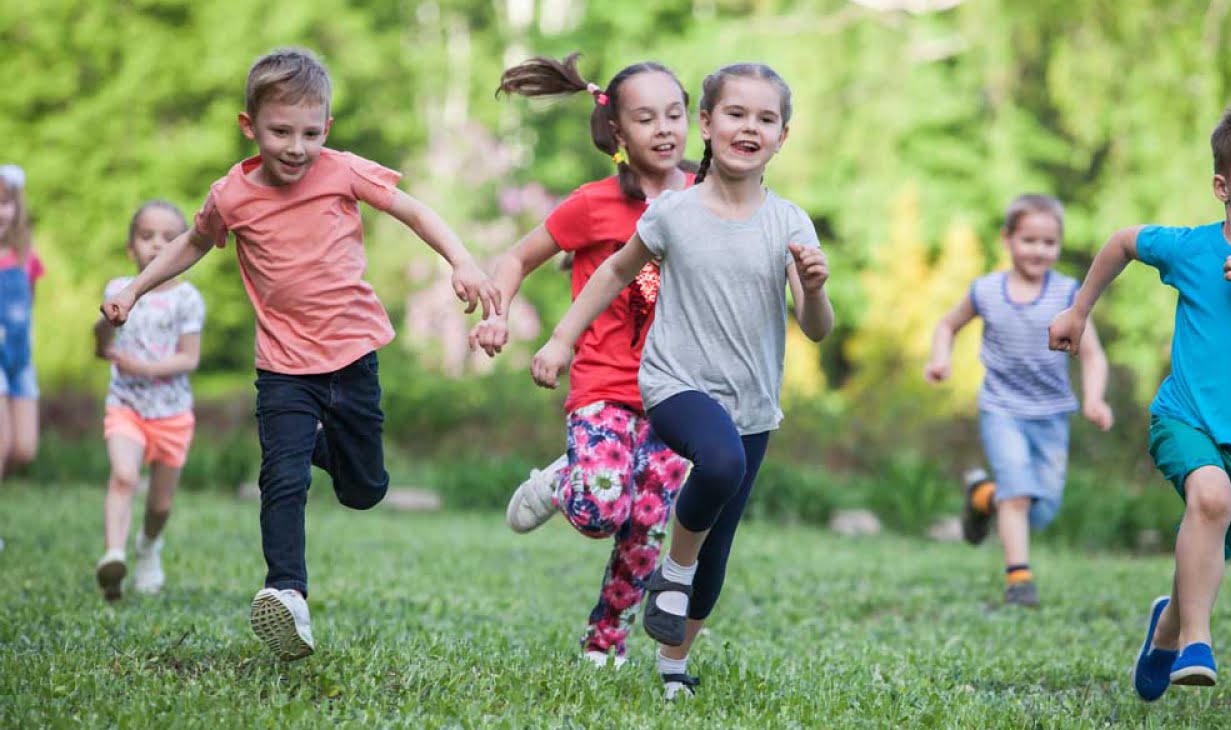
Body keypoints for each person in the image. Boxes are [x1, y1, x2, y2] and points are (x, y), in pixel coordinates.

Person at [101, 47, 500, 659]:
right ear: (250, 127)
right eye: (280, 131)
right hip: (284, 368)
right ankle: (287, 594)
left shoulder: (342, 171)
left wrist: (463, 260)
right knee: (280, 479)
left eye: (310, 133)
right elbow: (191, 243)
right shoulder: (231, 195)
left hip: (353, 359)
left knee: (365, 489)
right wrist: (133, 289)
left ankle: (312, 445)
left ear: (328, 130)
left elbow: (413, 210)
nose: (295, 147)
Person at [531, 63, 834, 699]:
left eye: (765, 118)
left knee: (718, 548)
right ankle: (672, 568)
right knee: (717, 462)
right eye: (735, 114)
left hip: (752, 403)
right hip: (673, 385)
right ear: (707, 123)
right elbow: (613, 275)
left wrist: (813, 288)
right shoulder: (673, 212)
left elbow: (816, 328)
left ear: (784, 135)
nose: (749, 127)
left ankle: (673, 663)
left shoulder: (790, 224)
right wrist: (561, 340)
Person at [1048, 100, 1231, 700]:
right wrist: (1078, 311)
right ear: (1222, 186)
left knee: (1207, 554)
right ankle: (1197, 644)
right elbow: (1122, 242)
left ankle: (1169, 629)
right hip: (1182, 418)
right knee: (1208, 497)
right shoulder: (1189, 248)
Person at [472, 53, 695, 667]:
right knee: (601, 509)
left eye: (675, 114)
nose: (665, 129)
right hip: (603, 383)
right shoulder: (594, 204)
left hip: (680, 391)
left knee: (646, 524)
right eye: (646, 118)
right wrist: (498, 316)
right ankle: (563, 479)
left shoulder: (709, 197)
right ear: (618, 135)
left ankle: (605, 643)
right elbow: (517, 257)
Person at [924, 194, 1112, 607]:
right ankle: (1019, 580)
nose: (1039, 250)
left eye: (1049, 242)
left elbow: (1093, 353)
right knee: (1019, 495)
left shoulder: (1068, 293)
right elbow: (947, 325)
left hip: (1052, 414)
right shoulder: (986, 291)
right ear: (1007, 239)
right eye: (1029, 240)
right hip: (1002, 409)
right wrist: (940, 359)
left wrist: (1095, 398)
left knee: (1040, 509)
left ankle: (981, 496)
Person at [93, 201, 205, 602]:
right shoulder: (117, 290)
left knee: (160, 505)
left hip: (172, 415)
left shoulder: (187, 299)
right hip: (126, 406)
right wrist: (103, 328)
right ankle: (113, 556)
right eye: (146, 236)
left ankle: (148, 548)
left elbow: (188, 358)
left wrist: (141, 367)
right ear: (130, 247)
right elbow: (102, 343)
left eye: (168, 238)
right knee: (124, 475)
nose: (156, 245)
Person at [0, 164, 45, 478]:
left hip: (20, 360)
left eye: (4, 203)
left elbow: (29, 305)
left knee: (24, 448)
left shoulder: (26, 258)